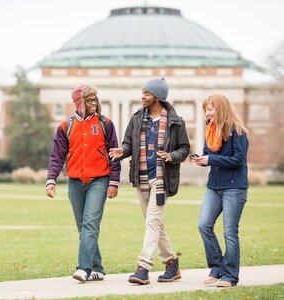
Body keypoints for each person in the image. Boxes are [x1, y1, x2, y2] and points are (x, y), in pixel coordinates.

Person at [109, 77, 190, 285]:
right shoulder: (136, 118)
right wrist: (122, 151)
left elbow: (185, 149)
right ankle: (172, 263)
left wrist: (172, 156)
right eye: (142, 92)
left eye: (146, 93)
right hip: (141, 177)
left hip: (162, 179)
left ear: (157, 96)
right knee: (154, 223)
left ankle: (143, 267)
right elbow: (128, 144)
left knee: (153, 221)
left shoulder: (176, 121)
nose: (142, 96)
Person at [46, 84, 121, 283]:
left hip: (100, 180)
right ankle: (98, 269)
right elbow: (57, 156)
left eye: (95, 99)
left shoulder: (106, 123)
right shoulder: (65, 126)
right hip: (75, 182)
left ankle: (83, 268)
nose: (94, 103)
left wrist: (114, 181)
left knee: (90, 224)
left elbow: (114, 155)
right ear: (79, 103)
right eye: (89, 100)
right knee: (83, 227)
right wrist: (51, 180)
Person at [191, 94, 249, 287]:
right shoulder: (210, 131)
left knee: (230, 232)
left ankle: (230, 276)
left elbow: (238, 160)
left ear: (221, 108)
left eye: (210, 109)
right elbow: (209, 155)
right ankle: (217, 269)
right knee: (203, 225)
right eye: (206, 109)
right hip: (214, 187)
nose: (207, 113)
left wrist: (211, 160)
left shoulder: (237, 131)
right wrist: (202, 159)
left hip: (234, 188)